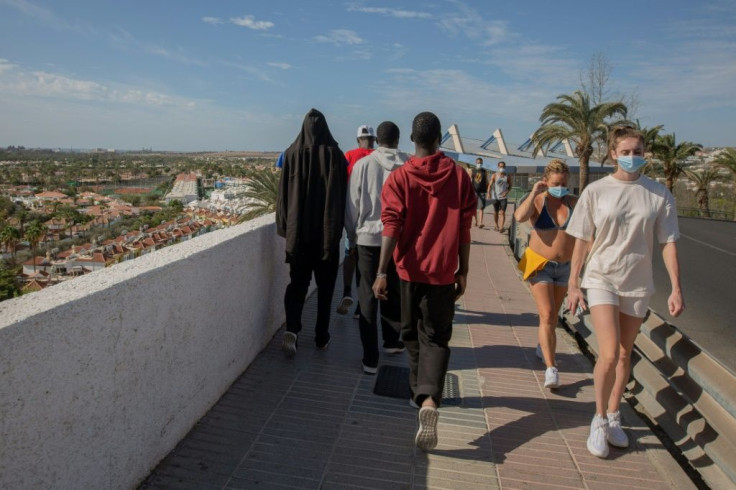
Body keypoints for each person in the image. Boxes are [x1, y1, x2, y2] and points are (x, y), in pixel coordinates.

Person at [565, 126, 684, 459]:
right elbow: (583, 240)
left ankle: (615, 413)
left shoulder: (658, 194)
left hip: (637, 282)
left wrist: (676, 287)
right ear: (613, 153)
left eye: (638, 151)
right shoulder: (596, 191)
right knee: (607, 353)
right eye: (626, 151)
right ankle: (599, 419)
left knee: (623, 353)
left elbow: (668, 242)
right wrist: (574, 282)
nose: (633, 157)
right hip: (602, 277)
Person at [373, 112, 477, 450]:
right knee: (436, 335)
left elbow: (391, 226)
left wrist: (381, 270)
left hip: (407, 270)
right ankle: (428, 397)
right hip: (443, 271)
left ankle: (421, 395)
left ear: (413, 141)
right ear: (438, 140)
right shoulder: (459, 178)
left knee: (410, 331)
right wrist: (463, 269)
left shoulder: (399, 178)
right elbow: (464, 229)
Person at [276, 108, 347, 357]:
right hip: (326, 237)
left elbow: (282, 197)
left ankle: (293, 329)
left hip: (299, 236)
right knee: (326, 290)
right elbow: (342, 196)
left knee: (297, 285)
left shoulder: (291, 154)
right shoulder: (336, 156)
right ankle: (320, 337)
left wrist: (285, 228)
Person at [345, 121, 408, 374]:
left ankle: (370, 358)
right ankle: (392, 341)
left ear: (377, 139)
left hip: (368, 240)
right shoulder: (408, 165)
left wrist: (351, 238)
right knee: (394, 289)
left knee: (368, 296)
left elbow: (353, 206)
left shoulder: (362, 165)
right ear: (398, 138)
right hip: (398, 240)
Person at [513, 159, 578, 390]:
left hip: (564, 268)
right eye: (555, 183)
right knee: (548, 313)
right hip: (540, 264)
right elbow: (520, 217)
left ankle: (543, 346)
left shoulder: (572, 202)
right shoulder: (538, 201)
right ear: (546, 181)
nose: (560, 187)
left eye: (563, 183)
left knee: (553, 317)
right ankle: (552, 369)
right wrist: (533, 193)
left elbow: (589, 230)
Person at [336, 125, 376, 316]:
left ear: (358, 139)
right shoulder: (379, 158)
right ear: (374, 139)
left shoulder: (350, 155)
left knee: (349, 254)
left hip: (352, 216)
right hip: (374, 220)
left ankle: (346, 291)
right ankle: (362, 303)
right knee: (367, 263)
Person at [488, 161, 510, 232]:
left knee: (502, 212)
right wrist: (489, 193)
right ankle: (496, 225)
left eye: (503, 166)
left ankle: (501, 227)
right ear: (498, 167)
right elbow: (490, 185)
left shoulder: (507, 176)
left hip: (504, 198)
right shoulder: (494, 175)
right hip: (495, 197)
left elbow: (510, 185)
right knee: (496, 212)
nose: (502, 168)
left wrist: (506, 192)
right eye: (501, 166)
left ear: (505, 167)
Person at [471, 157, 488, 228]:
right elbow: (470, 180)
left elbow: (486, 181)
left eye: (480, 163)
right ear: (476, 163)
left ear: (482, 163)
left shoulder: (484, 171)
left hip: (482, 191)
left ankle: (480, 223)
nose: (479, 164)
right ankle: (476, 221)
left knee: (481, 207)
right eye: (478, 163)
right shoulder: (473, 170)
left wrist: (488, 190)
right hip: (474, 191)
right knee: (474, 207)